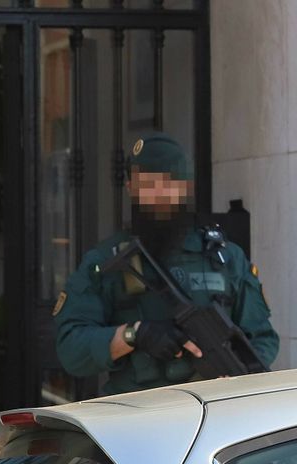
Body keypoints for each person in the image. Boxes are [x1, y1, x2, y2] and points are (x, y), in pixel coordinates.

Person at [55, 131, 278, 395]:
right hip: (136, 416)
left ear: (187, 187)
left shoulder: (226, 258)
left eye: (169, 182)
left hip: (216, 414)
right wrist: (133, 335)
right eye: (147, 184)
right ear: (130, 188)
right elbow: (71, 350)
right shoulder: (105, 261)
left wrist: (237, 375)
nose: (158, 194)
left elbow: (263, 340)